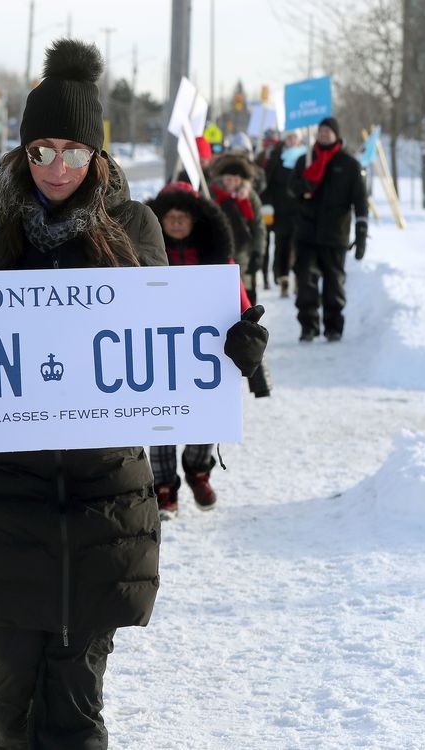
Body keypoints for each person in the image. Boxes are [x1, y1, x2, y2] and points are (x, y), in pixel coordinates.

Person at [0, 39, 268, 749]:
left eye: (72, 150)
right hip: (6, 501)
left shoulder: (133, 228)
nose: (57, 167)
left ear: (98, 155)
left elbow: (166, 352)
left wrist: (229, 353)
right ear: (21, 154)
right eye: (41, 151)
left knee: (76, 708)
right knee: (9, 705)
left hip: (106, 499)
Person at [144, 182, 261, 518]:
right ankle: (164, 486)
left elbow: (235, 294)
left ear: (196, 220)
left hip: (205, 351)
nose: (177, 223)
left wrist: (248, 326)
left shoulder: (215, 257)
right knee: (161, 420)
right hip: (161, 350)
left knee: (205, 415)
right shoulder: (145, 256)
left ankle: (198, 469)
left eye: (184, 217)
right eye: (171, 217)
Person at [289, 116, 368, 342]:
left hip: (335, 235)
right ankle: (308, 326)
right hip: (306, 234)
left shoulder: (349, 165)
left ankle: (334, 327)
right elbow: (291, 191)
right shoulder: (305, 161)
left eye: (328, 131)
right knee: (305, 281)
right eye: (321, 131)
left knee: (334, 285)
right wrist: (303, 186)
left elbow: (360, 201)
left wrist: (361, 234)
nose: (324, 134)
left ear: (336, 135)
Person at [209, 152, 266, 305]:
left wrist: (258, 251)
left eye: (235, 179)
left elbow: (258, 226)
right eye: (228, 179)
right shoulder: (211, 195)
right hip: (217, 251)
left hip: (243, 251)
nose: (231, 183)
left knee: (245, 292)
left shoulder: (249, 197)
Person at [260, 130, 302, 298]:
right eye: (289, 138)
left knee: (299, 247)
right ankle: (283, 280)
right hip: (280, 210)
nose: (291, 141)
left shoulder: (305, 157)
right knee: (282, 246)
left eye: (294, 138)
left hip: (300, 211)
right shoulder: (276, 157)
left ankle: (299, 279)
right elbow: (267, 184)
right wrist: (268, 206)